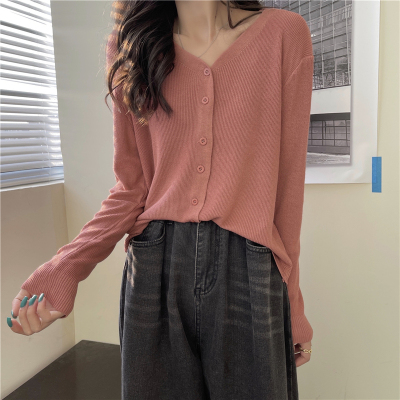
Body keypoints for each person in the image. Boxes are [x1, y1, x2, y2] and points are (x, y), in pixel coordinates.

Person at [8, 1, 313, 398]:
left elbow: (287, 193)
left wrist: (293, 303)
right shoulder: (132, 44)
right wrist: (64, 268)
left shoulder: (284, 34)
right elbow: (130, 188)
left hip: (248, 269)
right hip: (155, 267)